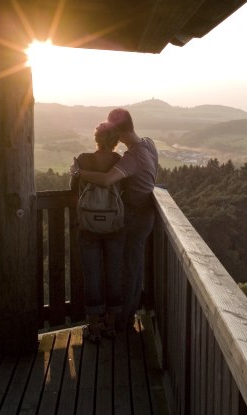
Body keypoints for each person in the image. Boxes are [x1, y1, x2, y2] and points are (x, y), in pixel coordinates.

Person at [70, 108, 158, 333]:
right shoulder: (148, 144)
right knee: (127, 268)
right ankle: (117, 320)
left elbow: (108, 180)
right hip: (143, 215)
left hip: (133, 218)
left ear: (118, 131)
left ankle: (122, 323)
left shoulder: (131, 157)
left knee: (126, 270)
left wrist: (79, 174)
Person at [70, 122, 125, 343]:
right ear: (115, 141)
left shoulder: (82, 160)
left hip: (88, 226)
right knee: (114, 273)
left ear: (97, 138)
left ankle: (93, 328)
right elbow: (125, 189)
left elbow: (74, 187)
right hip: (114, 225)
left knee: (92, 275)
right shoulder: (118, 162)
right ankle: (110, 326)